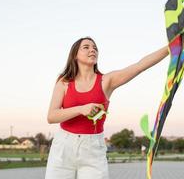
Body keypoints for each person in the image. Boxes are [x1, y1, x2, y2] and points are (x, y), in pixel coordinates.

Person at [45, 37, 169, 179]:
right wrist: (81, 109)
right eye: (86, 47)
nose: (92, 49)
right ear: (74, 55)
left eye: (95, 48)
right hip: (63, 147)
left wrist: (170, 48)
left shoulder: (106, 81)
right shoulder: (64, 82)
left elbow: (139, 66)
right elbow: (52, 116)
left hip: (93, 149)